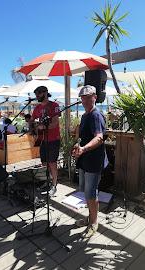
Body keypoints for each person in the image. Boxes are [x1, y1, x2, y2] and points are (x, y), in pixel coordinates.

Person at [70, 85, 108, 238]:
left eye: (88, 96)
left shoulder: (96, 115)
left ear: (95, 97)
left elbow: (99, 137)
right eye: (82, 97)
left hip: (93, 160)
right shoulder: (85, 116)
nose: (84, 100)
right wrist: (76, 146)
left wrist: (83, 149)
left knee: (91, 193)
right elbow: (83, 137)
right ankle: (90, 217)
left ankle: (94, 222)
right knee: (86, 191)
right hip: (85, 160)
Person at [29, 86, 61, 197]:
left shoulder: (54, 106)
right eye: (36, 94)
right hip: (41, 139)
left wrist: (43, 127)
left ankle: (54, 185)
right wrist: (32, 129)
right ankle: (46, 182)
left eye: (39, 94)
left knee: (52, 163)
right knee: (44, 163)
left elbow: (55, 123)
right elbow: (32, 120)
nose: (37, 96)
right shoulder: (37, 108)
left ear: (46, 93)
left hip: (54, 139)